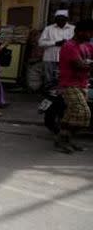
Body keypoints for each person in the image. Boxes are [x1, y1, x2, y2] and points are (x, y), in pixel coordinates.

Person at [54, 19, 92, 153]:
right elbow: (79, 65)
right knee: (83, 113)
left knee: (71, 115)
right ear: (79, 32)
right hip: (69, 84)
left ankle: (64, 140)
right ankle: (63, 139)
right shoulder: (69, 46)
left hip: (82, 84)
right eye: (88, 32)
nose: (90, 35)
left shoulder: (86, 46)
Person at [38, 9, 75, 90]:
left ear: (66, 19)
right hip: (50, 57)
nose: (59, 20)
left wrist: (67, 43)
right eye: (57, 18)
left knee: (64, 77)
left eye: (62, 19)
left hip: (66, 58)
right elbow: (40, 43)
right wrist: (55, 43)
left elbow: (77, 42)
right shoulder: (49, 28)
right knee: (49, 79)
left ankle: (63, 94)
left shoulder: (73, 29)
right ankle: (49, 95)